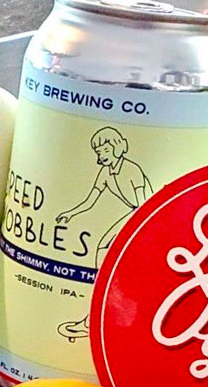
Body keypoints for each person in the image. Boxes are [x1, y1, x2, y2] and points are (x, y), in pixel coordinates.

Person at [55, 127, 152, 340]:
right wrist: (70, 214)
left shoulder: (131, 169)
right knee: (103, 254)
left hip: (143, 217)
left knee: (114, 258)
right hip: (134, 215)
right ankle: (97, 318)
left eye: (105, 149)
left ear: (116, 148)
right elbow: (91, 201)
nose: (101, 155)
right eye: (98, 151)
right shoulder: (106, 172)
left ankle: (109, 320)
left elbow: (146, 203)